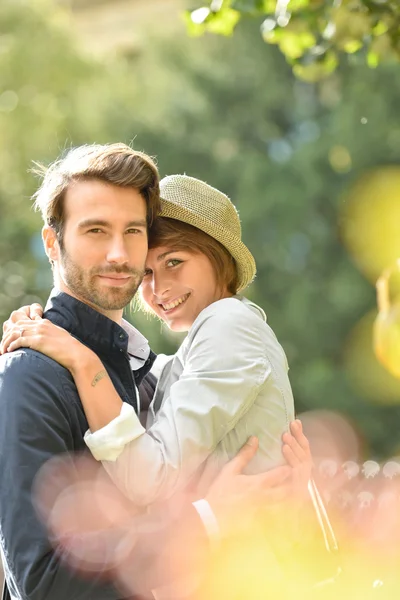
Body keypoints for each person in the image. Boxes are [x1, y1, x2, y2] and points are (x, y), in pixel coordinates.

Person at [0, 144, 310, 600]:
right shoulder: (31, 375)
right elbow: (43, 584)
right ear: (53, 242)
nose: (119, 255)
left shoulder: (141, 371)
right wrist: (208, 521)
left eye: (133, 232)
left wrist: (291, 490)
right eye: (95, 230)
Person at [2, 174, 298, 506]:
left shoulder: (228, 324)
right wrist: (46, 325)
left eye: (174, 262)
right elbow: (148, 371)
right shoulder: (201, 345)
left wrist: (80, 359)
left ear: (219, 258)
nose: (159, 290)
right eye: (147, 273)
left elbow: (149, 480)